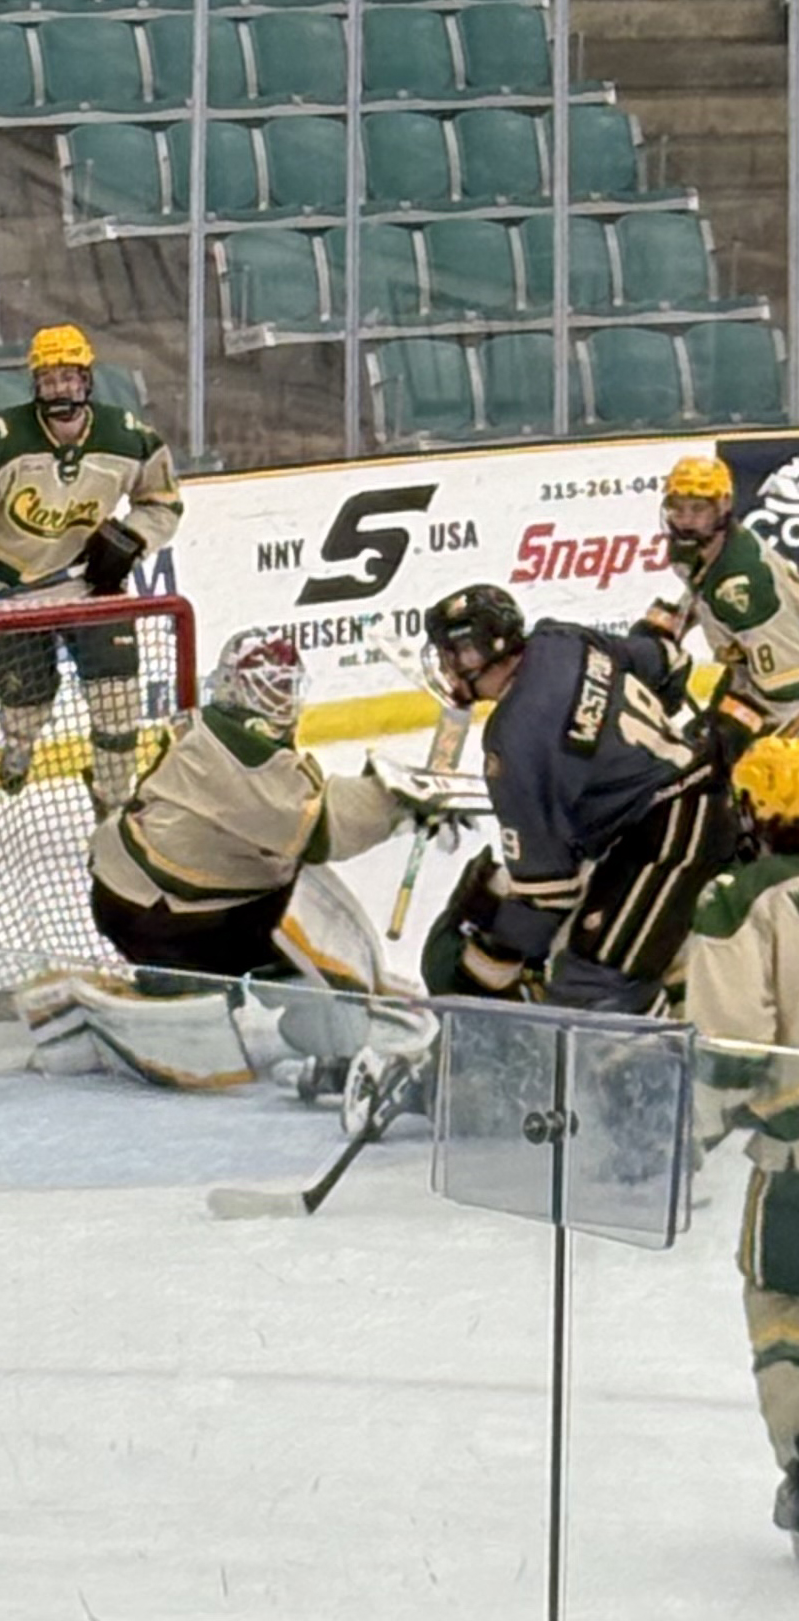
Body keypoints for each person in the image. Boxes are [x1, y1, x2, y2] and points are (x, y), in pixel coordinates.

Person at [419, 582, 737, 1013]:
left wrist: (495, 943)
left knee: (592, 986)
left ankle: (683, 1072)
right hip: (708, 789)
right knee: (609, 938)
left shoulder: (512, 744)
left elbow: (550, 891)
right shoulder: (558, 639)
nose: (445, 666)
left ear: (479, 653)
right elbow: (666, 666)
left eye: (450, 655)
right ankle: (681, 991)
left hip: (671, 834)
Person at [0, 322, 184, 816]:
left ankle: (112, 802)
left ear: (87, 379)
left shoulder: (128, 436)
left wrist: (133, 538)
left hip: (91, 587)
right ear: (36, 385)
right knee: (25, 705)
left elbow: (163, 503)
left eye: (69, 377)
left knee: (117, 702)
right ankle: (19, 747)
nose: (60, 389)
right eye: (49, 380)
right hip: (14, 588)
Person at [88, 628, 413, 981]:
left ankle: (183, 985)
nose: (281, 698)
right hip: (162, 913)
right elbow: (320, 829)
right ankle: (195, 997)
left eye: (288, 686)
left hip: (129, 887)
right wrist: (397, 799)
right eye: (268, 686)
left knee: (284, 873)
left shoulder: (205, 725)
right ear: (233, 685)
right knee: (296, 904)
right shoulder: (240, 748)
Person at [686, 735, 799, 1549]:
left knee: (780, 1303)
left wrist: (677, 1138)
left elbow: (731, 1054)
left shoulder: (739, 897)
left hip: (795, 1166)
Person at [642, 454, 799, 761]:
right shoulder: (695, 547)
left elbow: (788, 684)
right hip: (753, 671)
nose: (685, 520)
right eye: (678, 508)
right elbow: (702, 589)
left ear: (723, 506)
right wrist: (673, 622)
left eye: (698, 509)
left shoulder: (744, 588)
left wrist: (747, 725)